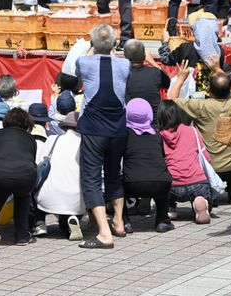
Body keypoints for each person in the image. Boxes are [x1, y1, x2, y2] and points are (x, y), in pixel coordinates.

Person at [74, 24, 129, 248]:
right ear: (114, 44)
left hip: (94, 129)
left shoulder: (85, 62)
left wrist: (92, 47)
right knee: (114, 173)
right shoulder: (124, 65)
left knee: (92, 178)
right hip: (117, 129)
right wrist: (109, 48)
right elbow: (112, 58)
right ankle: (118, 222)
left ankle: (104, 233)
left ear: (93, 44)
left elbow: (77, 71)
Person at [168, 68, 231, 203]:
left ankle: (210, 196)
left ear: (209, 90)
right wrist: (217, 68)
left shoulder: (201, 106)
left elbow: (171, 99)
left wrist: (181, 79)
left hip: (211, 165)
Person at [0, 108, 38, 248]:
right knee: (23, 197)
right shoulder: (31, 139)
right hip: (26, 176)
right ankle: (22, 235)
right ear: (27, 124)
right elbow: (32, 159)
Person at [122, 99, 174, 232]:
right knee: (162, 187)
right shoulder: (157, 135)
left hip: (132, 184)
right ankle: (162, 220)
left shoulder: (124, 135)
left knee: (116, 184)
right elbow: (161, 157)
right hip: (160, 182)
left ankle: (124, 220)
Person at [157, 100, 212, 224]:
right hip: (198, 183)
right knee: (203, 193)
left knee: (166, 192)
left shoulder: (160, 136)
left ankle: (171, 208)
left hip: (172, 186)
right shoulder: (192, 131)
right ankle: (200, 200)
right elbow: (206, 157)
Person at [35, 111, 86, 240]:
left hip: (48, 196)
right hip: (77, 200)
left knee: (34, 187)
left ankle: (40, 222)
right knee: (69, 212)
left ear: (64, 127)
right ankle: (71, 221)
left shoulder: (52, 139)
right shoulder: (85, 144)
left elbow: (38, 163)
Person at [123, 39, 169, 117]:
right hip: (153, 124)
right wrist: (152, 62)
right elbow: (168, 82)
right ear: (144, 56)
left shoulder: (121, 76)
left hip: (129, 123)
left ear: (125, 57)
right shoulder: (156, 73)